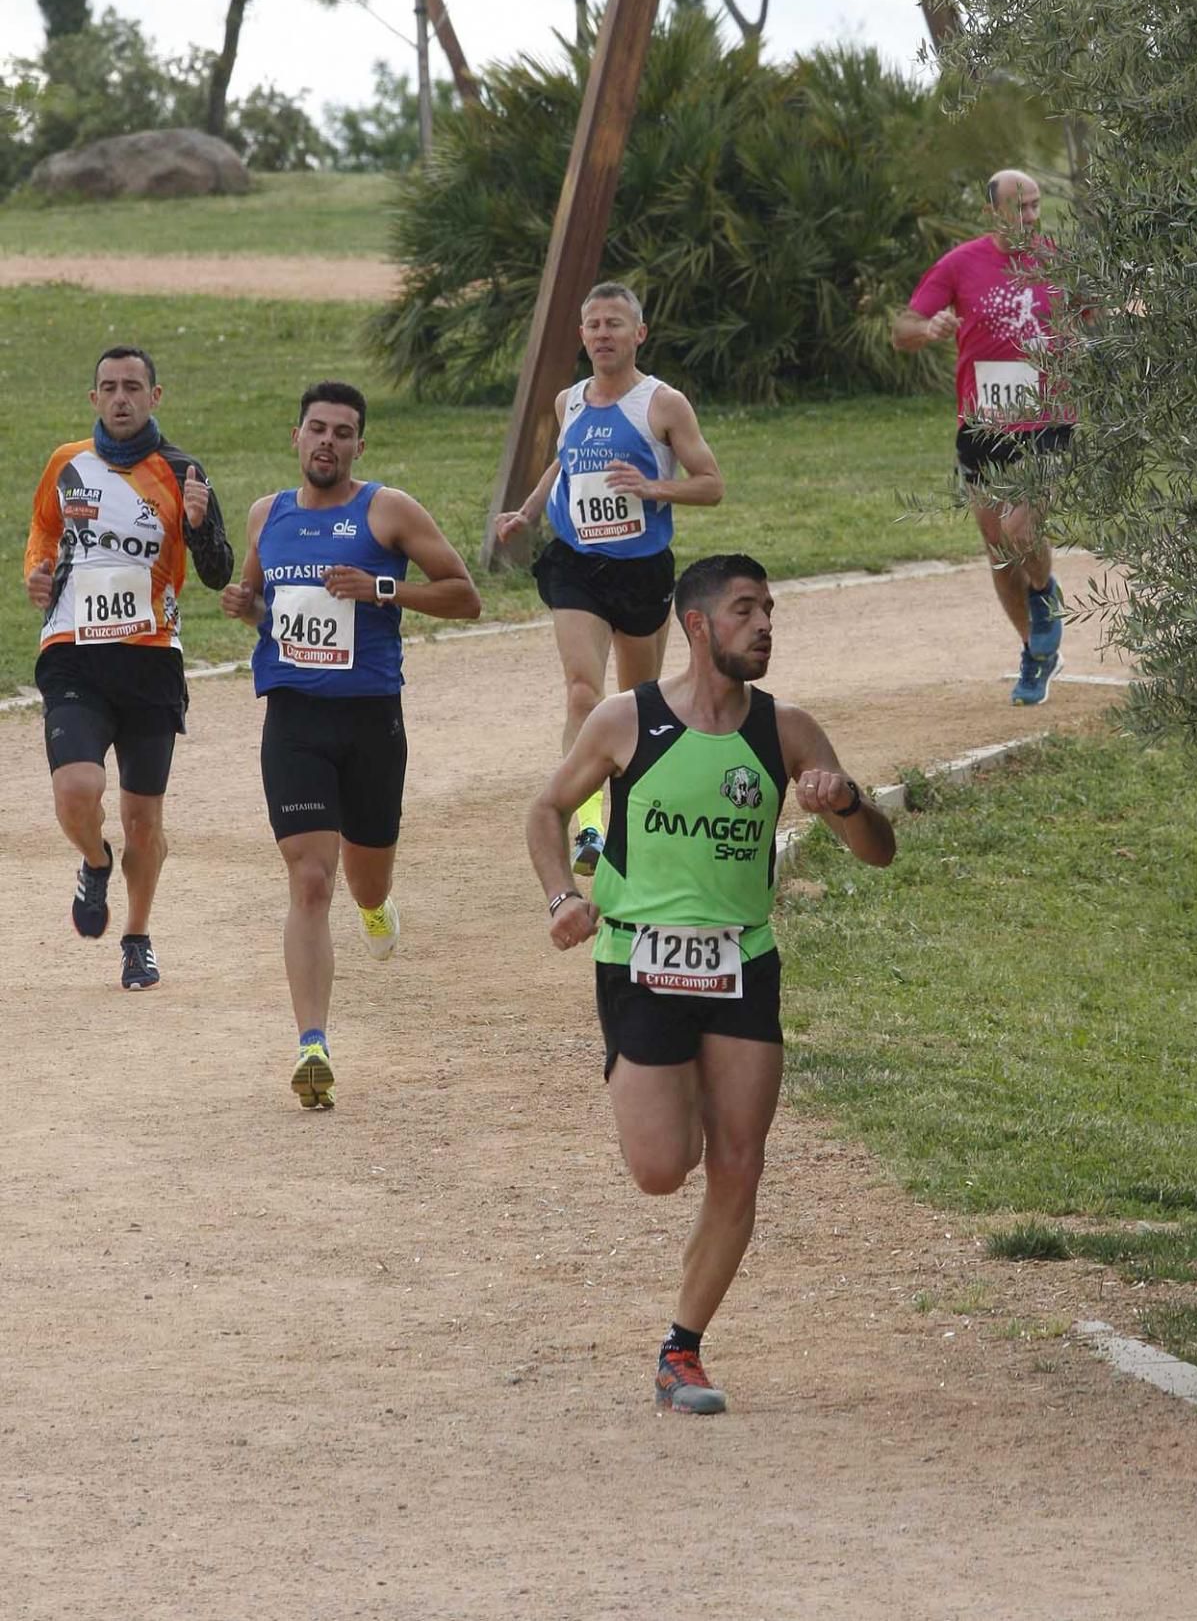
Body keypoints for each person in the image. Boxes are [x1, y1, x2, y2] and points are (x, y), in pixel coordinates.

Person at [526, 553, 895, 1413]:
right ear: (697, 627)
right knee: (662, 1167)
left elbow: (878, 849)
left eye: (769, 610)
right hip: (638, 963)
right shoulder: (627, 720)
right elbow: (546, 810)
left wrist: (844, 805)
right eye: (745, 611)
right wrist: (559, 896)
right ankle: (659, 1082)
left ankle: (682, 1349)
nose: (765, 624)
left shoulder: (788, 731)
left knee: (739, 1162)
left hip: (741, 965)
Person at [221, 380, 481, 1110]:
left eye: (343, 431)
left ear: (360, 445)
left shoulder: (388, 510)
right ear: (296, 438)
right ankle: (312, 1045)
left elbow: (466, 595)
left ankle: (377, 906)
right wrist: (246, 608)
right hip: (295, 720)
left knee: (367, 881)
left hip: (370, 721)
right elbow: (268, 611)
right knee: (310, 879)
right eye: (316, 429)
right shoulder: (265, 515)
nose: (328, 441)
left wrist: (382, 591)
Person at [23, 345, 233, 990]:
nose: (120, 398)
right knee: (76, 792)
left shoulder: (182, 471)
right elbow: (43, 534)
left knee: (145, 822)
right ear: (93, 399)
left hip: (150, 663)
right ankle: (94, 860)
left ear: (154, 397)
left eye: (132, 387)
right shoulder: (67, 464)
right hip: (73, 656)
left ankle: (137, 937)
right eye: (109, 387)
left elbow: (219, 571)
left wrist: (197, 527)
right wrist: (35, 574)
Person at [495, 281, 723, 874]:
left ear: (639, 334)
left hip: (641, 571)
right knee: (581, 691)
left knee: (636, 706)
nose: (603, 334)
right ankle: (588, 826)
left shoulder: (662, 404)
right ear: (582, 336)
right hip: (576, 564)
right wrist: (527, 509)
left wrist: (654, 488)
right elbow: (564, 458)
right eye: (593, 324)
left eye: (615, 323)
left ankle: (632, 821)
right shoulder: (568, 400)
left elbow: (711, 484)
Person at [893, 169, 1075, 706]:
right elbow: (903, 328)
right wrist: (927, 330)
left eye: (1036, 206)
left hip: (1047, 417)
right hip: (984, 423)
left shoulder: (1060, 260)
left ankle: (1044, 595)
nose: (1030, 218)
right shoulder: (959, 264)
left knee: (1021, 531)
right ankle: (1036, 652)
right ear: (991, 212)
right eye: (1019, 208)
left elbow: (1099, 318)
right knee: (998, 547)